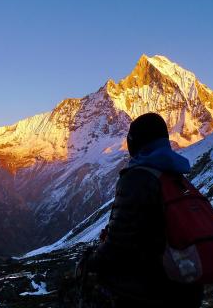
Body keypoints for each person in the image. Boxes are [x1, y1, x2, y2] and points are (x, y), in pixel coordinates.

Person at [83, 112, 204, 308]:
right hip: (189, 287)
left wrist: (91, 261)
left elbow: (117, 245)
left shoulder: (136, 179)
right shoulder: (177, 176)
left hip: (154, 291)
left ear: (135, 143)